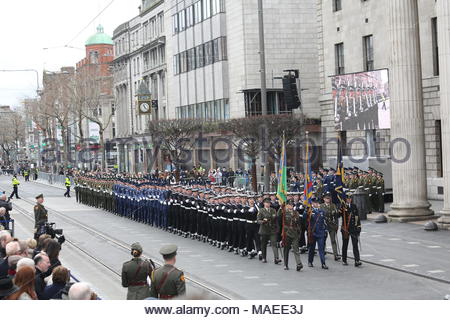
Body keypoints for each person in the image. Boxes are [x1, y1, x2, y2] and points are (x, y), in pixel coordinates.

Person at [280, 200, 303, 271]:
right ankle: (285, 264)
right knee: (286, 249)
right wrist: (281, 207)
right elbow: (278, 216)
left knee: (296, 249)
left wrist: (299, 232)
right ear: (287, 206)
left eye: (292, 205)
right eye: (289, 205)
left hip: (295, 233)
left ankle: (299, 263)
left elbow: (299, 223)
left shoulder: (296, 213)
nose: (291, 206)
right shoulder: (284, 213)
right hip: (287, 233)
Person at [257, 198, 281, 264]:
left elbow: (276, 220)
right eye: (266, 203)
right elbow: (258, 220)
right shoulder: (261, 211)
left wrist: (278, 228)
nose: (268, 204)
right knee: (264, 244)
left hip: (272, 230)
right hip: (264, 230)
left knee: (274, 244)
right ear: (264, 203)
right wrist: (263, 221)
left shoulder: (273, 210)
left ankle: (276, 258)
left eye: (269, 203)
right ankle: (264, 258)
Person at [306, 197, 328, 269]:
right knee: (312, 249)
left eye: (317, 203)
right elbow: (304, 219)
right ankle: (310, 261)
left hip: (320, 233)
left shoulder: (322, 211)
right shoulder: (310, 211)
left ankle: (323, 263)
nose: (316, 204)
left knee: (321, 249)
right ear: (312, 203)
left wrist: (325, 230)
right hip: (313, 233)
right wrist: (306, 211)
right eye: (315, 203)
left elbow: (324, 222)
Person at [341, 195, 362, 267]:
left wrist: (358, 226)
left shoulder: (354, 206)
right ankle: (344, 259)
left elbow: (357, 217)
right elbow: (338, 215)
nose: (349, 200)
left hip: (353, 228)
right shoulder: (343, 206)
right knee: (345, 245)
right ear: (345, 199)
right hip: (346, 229)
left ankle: (357, 260)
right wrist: (341, 208)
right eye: (347, 199)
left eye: (350, 198)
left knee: (355, 244)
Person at [321, 193, 340, 261]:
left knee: (333, 240)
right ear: (324, 199)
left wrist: (336, 225)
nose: (328, 200)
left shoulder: (333, 205)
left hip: (332, 225)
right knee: (323, 240)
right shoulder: (321, 206)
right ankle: (322, 252)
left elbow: (336, 216)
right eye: (326, 198)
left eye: (329, 198)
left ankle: (336, 255)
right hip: (325, 226)